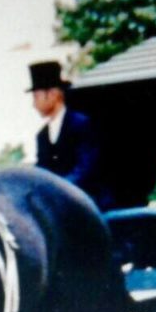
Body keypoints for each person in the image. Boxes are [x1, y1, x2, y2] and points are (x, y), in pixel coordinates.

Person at [28, 61, 113, 210]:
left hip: (89, 202)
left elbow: (85, 169)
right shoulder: (42, 136)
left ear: (53, 94)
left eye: (36, 96)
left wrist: (58, 189)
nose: (33, 104)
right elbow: (42, 171)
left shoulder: (81, 124)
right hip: (60, 203)